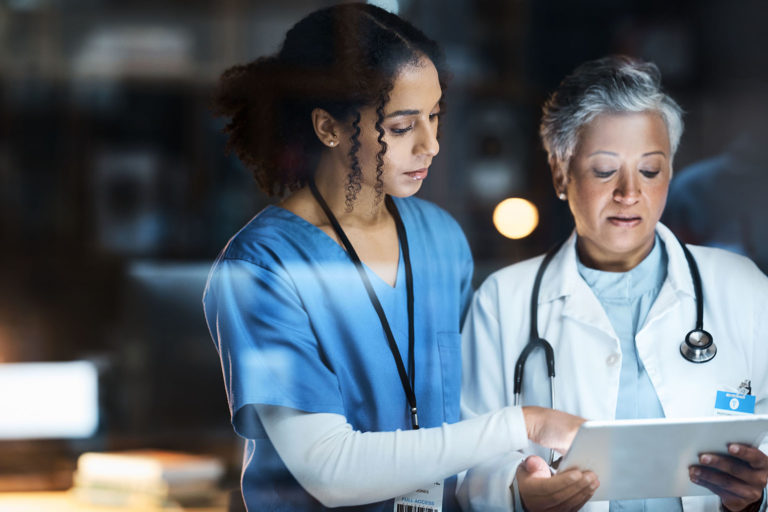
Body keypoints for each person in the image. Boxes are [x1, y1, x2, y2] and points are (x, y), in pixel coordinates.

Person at [202, 4, 589, 511]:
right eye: (403, 127)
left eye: (434, 117)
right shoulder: (264, 266)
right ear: (329, 127)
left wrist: (517, 484)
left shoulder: (440, 239)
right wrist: (524, 424)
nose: (431, 145)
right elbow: (328, 471)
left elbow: (464, 424)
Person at [458, 55, 768, 512]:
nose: (629, 193)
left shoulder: (741, 288)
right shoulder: (503, 301)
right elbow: (468, 464)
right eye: (605, 170)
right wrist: (517, 493)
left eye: (650, 170)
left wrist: (755, 494)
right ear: (560, 173)